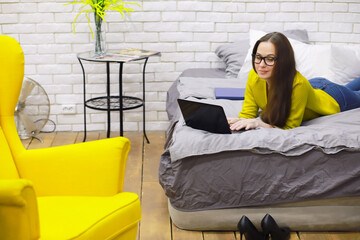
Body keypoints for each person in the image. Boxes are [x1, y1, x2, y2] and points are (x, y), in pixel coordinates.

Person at [228, 32, 360, 131]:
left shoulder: (298, 85)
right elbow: (248, 113)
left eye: (270, 58)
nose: (261, 65)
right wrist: (238, 121)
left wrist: (257, 123)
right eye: (258, 57)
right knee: (350, 87)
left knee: (355, 95)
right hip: (313, 85)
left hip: (335, 97)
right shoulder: (254, 75)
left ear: (283, 60)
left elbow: (289, 128)